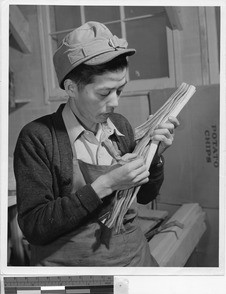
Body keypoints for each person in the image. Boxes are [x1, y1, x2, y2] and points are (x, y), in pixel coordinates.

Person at [14, 21, 179, 266]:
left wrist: (154, 157)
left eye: (120, 90)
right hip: (71, 266)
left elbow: (145, 196)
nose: (114, 103)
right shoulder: (38, 137)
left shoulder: (120, 126)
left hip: (132, 257)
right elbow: (35, 226)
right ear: (71, 88)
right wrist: (105, 185)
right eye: (104, 93)